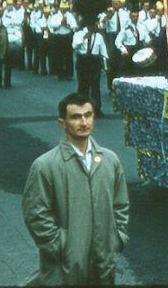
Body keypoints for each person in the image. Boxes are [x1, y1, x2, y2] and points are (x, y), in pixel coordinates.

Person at [22, 93, 129, 285]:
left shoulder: (109, 160)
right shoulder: (45, 165)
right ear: (62, 123)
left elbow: (120, 205)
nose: (83, 121)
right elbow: (36, 213)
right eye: (75, 117)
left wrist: (117, 238)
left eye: (88, 115)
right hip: (65, 269)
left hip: (103, 265)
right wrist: (60, 246)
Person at [73, 18, 108, 117]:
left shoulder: (99, 36)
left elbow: (103, 50)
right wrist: (83, 38)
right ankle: (81, 109)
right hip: (83, 60)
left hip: (94, 61)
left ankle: (96, 109)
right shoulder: (79, 34)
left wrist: (105, 64)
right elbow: (74, 45)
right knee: (83, 86)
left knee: (95, 86)